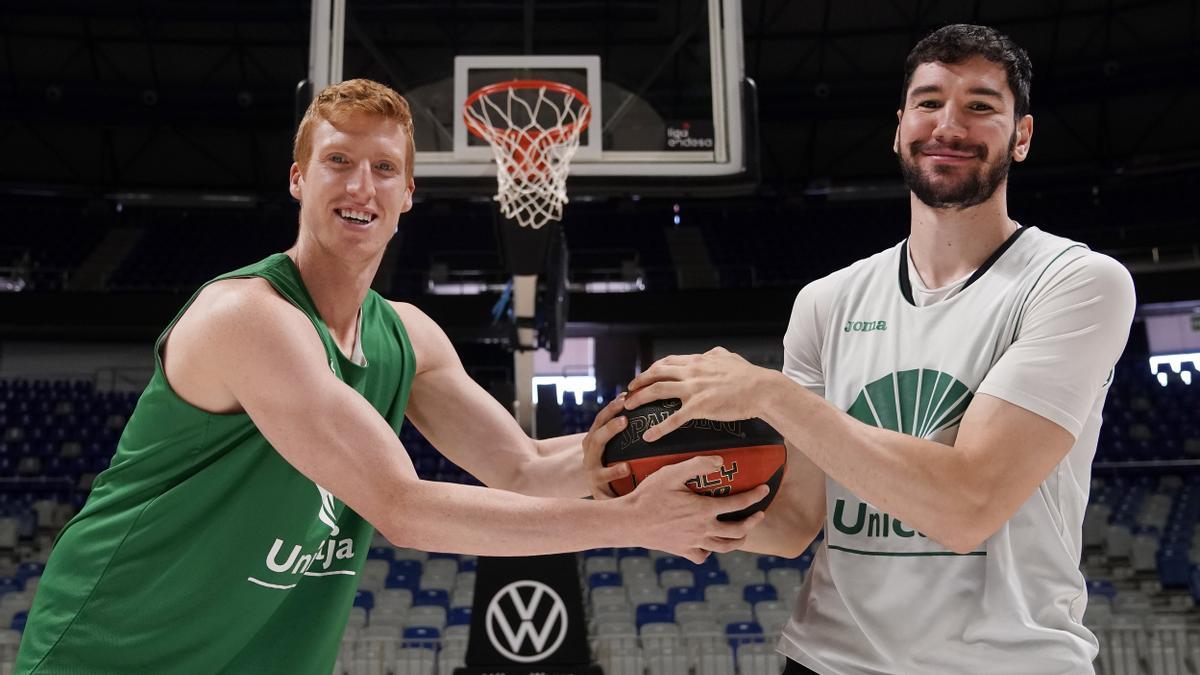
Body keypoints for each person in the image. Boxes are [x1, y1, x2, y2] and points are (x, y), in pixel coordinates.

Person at [14, 79, 767, 674]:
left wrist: (657, 439)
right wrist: (634, 522)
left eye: (384, 169)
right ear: (299, 179)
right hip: (113, 651)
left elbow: (521, 465)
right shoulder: (248, 316)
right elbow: (400, 506)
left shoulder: (407, 335)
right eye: (338, 162)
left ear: (409, 194)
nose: (360, 187)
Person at [586, 24, 1136, 674]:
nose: (949, 124)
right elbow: (792, 521)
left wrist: (769, 392)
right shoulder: (828, 301)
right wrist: (643, 495)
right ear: (899, 126)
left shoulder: (1076, 283)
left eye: (981, 105)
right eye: (929, 102)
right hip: (827, 658)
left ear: (1021, 136)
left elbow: (968, 507)